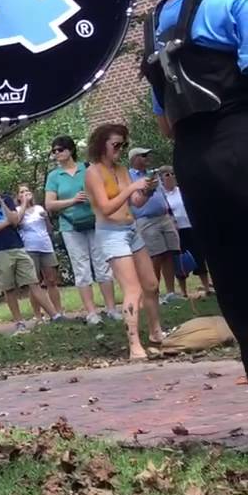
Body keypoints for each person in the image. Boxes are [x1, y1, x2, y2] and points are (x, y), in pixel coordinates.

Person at [146, 0, 248, 376]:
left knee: (236, 283)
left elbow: (165, 121)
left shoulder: (156, 21)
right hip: (242, 138)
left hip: (195, 162)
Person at [83, 124, 165, 360]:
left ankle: (156, 332)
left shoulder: (121, 170)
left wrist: (147, 190)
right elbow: (106, 208)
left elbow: (136, 202)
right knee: (133, 288)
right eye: (116, 145)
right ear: (102, 145)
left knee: (151, 284)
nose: (120, 149)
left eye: (123, 145)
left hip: (131, 228)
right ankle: (134, 344)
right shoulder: (93, 172)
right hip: (111, 233)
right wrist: (131, 189)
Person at [0, 172, 63, 333]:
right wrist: (8, 222)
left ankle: (55, 316)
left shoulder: (6, 199)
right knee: (8, 288)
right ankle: (19, 322)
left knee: (33, 282)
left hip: (18, 246)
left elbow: (15, 221)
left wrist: (1, 203)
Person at [44, 136, 120, 324]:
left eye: (60, 149)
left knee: (103, 265)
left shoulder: (87, 168)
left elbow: (105, 192)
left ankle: (111, 309)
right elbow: (49, 204)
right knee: (81, 268)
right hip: (70, 226)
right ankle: (92, 312)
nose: (57, 153)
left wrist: (93, 198)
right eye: (54, 151)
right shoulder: (54, 176)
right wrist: (72, 201)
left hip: (95, 222)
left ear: (70, 150)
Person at [126, 147, 184, 303]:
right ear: (134, 159)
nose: (147, 158)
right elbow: (132, 199)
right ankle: (154, 293)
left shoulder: (153, 174)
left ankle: (171, 292)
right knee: (155, 256)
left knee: (169, 253)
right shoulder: (129, 176)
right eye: (143, 155)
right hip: (146, 220)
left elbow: (163, 194)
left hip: (164, 217)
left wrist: (171, 216)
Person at [159, 166, 215, 297]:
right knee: (180, 261)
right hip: (175, 232)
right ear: (161, 179)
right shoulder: (162, 196)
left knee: (199, 257)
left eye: (173, 173)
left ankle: (207, 288)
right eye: (167, 175)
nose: (171, 177)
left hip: (190, 227)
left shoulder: (182, 191)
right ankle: (183, 292)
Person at [16, 185, 63, 319]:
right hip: (29, 248)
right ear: (18, 197)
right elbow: (17, 222)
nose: (25, 193)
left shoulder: (39, 208)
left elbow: (49, 229)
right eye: (22, 192)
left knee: (51, 280)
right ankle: (38, 316)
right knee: (34, 282)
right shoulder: (18, 210)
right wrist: (24, 204)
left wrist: (47, 218)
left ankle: (59, 312)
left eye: (27, 191)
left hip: (46, 246)